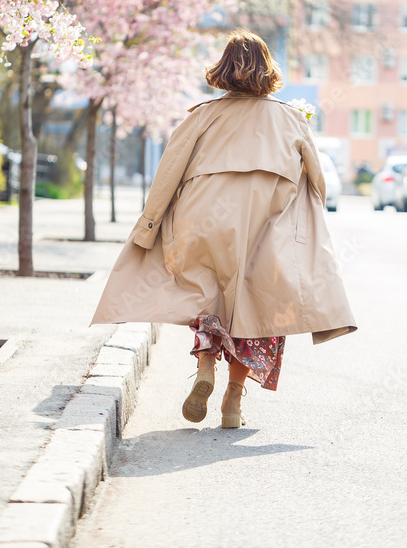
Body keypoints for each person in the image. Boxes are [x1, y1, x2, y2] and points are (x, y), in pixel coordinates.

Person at [89, 28, 357, 428]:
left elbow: (167, 175)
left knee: (207, 300)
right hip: (266, 227)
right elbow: (317, 182)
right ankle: (233, 400)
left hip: (203, 222)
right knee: (257, 307)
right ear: (268, 70)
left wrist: (148, 227)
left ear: (223, 70)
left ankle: (205, 369)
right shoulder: (291, 118)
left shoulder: (202, 116)